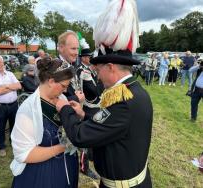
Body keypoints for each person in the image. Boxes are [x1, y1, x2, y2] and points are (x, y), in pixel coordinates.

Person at [56, 0, 153, 187]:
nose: (98, 76)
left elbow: (80, 136)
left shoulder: (123, 100)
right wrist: (84, 114)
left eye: (98, 69)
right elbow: (109, 122)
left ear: (110, 67)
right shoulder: (132, 91)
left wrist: (64, 109)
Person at [10, 57, 79, 188]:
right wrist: (63, 147)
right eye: (64, 86)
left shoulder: (62, 98)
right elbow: (24, 154)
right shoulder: (28, 110)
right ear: (51, 81)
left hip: (68, 165)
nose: (65, 90)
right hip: (43, 174)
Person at [76, 48, 103, 179]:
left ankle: (92, 156)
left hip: (94, 106)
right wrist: (102, 80)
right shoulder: (82, 71)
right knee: (86, 137)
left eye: (90, 56)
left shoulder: (88, 69)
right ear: (83, 57)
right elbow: (94, 91)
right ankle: (84, 167)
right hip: (88, 106)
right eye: (88, 56)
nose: (90, 58)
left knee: (94, 134)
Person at [0, 55, 21, 157]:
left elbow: (19, 86)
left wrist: (5, 86)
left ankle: (13, 142)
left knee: (14, 125)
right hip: (0, 107)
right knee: (1, 127)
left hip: (14, 105)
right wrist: (11, 87)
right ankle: (1, 147)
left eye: (1, 62)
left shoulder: (10, 74)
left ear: (3, 63)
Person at [57, 31, 85, 102]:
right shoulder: (55, 68)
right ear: (61, 48)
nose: (77, 53)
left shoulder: (70, 64)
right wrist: (76, 98)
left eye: (77, 49)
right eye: (73, 48)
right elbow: (52, 100)